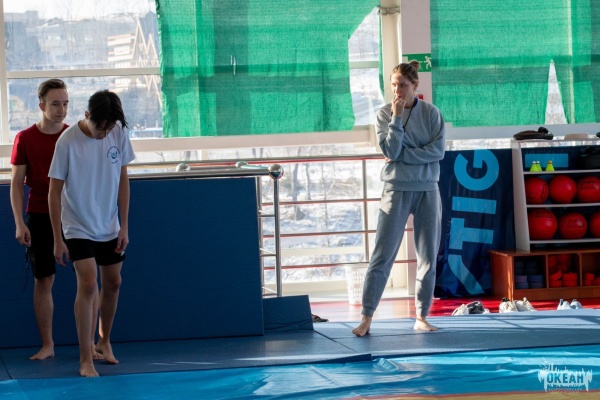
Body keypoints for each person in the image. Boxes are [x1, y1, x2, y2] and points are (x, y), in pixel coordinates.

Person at [352, 61, 446, 336]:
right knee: (382, 256)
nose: (397, 90)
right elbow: (391, 151)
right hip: (395, 188)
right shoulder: (384, 114)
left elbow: (438, 152)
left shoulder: (431, 113)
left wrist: (405, 155)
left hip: (428, 189)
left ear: (415, 86)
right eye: (393, 85)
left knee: (427, 257)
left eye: (403, 85)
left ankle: (421, 316)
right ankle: (366, 317)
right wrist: (396, 118)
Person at [48, 90, 135, 377]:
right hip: (77, 225)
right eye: (100, 128)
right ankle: (85, 358)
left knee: (114, 282)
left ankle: (104, 341)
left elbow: (123, 180)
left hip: (109, 224)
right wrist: (57, 238)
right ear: (87, 116)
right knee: (87, 284)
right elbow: (53, 192)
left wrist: (124, 225)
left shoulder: (117, 132)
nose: (104, 134)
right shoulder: (67, 142)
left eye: (109, 128)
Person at [10, 79, 70, 360]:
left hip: (74, 215)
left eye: (65, 104)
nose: (62, 110)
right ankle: (48, 344)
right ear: (42, 106)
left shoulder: (73, 136)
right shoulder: (25, 138)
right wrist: (19, 222)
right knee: (43, 279)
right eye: (55, 104)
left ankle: (93, 343)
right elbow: (16, 184)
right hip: (39, 214)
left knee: (88, 279)